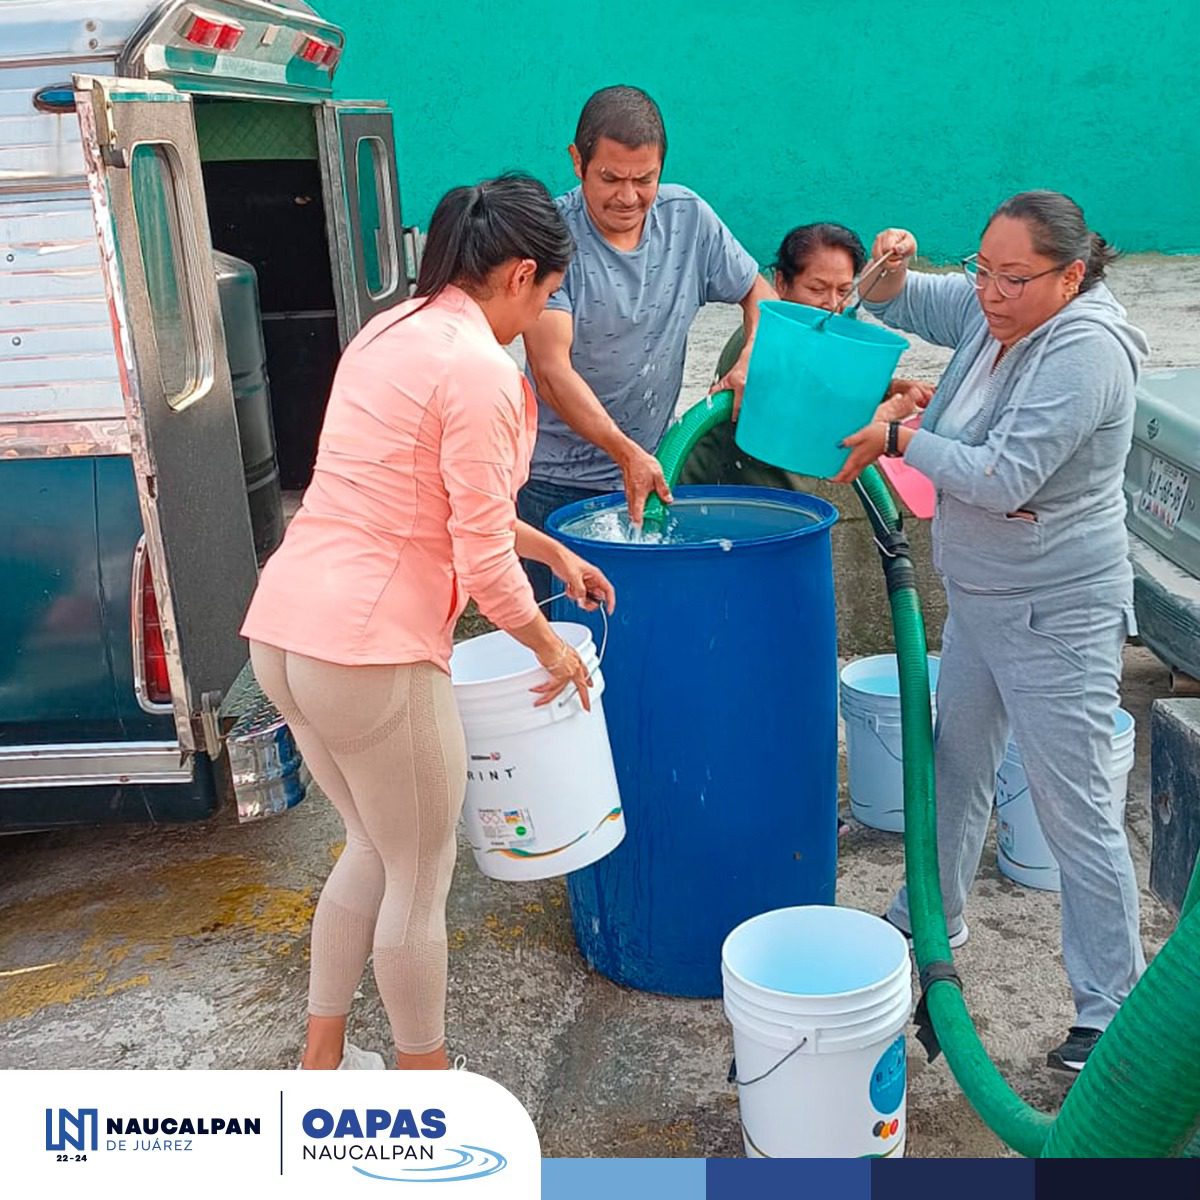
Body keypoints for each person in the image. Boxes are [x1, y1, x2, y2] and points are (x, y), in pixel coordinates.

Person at [240, 174, 616, 1072]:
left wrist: (554, 552)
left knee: (370, 847)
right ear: (522, 273)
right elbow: (482, 563)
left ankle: (321, 1065)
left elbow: (428, 501)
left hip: (285, 634)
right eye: (551, 293)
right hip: (369, 649)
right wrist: (552, 647)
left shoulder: (390, 330)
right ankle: (426, 1092)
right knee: (419, 875)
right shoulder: (483, 369)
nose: (545, 312)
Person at [834, 191, 1148, 1072]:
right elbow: (913, 300)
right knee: (956, 761)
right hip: (983, 595)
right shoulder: (990, 308)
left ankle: (1109, 1009)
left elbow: (1005, 474)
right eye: (984, 268)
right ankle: (932, 918)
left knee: (1073, 806)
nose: (991, 293)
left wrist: (899, 431)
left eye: (1015, 278)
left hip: (1056, 611)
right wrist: (891, 270)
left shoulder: (1086, 353)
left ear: (1072, 275)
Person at [520, 84, 776, 599]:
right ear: (577, 161)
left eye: (644, 179)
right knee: (560, 643)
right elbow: (550, 373)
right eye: (610, 178)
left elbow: (759, 294)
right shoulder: (550, 236)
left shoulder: (688, 218)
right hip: (552, 484)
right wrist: (624, 451)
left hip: (644, 475)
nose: (628, 197)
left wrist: (750, 357)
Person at [680, 221, 933, 489]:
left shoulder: (821, 343)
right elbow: (820, 431)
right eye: (817, 289)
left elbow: (830, 388)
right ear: (781, 283)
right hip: (717, 498)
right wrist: (890, 413)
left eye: (844, 291)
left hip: (784, 505)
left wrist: (890, 389)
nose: (832, 304)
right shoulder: (758, 345)